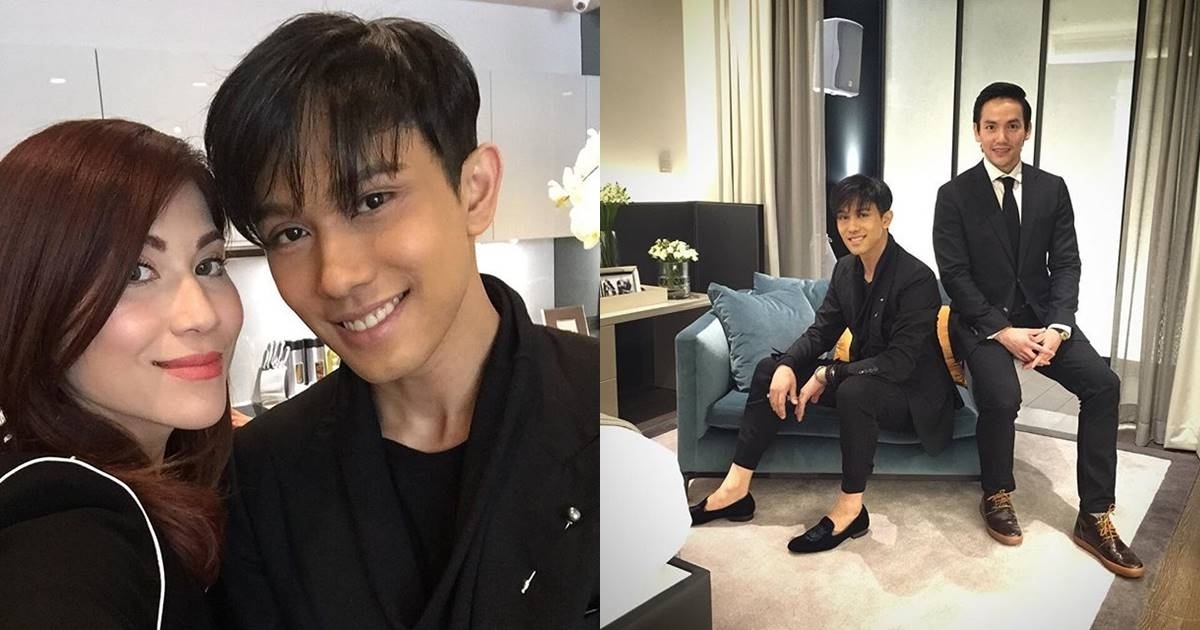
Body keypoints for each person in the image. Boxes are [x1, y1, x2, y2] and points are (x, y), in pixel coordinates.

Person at [203, 12, 599, 629]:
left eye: (372, 201)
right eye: (291, 232)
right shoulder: (260, 477)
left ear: (475, 191)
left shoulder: (599, 407)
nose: (336, 277)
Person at [0, 119, 244, 628]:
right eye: (136, 272)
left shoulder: (164, 480)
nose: (201, 315)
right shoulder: (67, 524)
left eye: (208, 265)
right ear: (37, 299)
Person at [932, 82, 1142, 578]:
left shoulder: (1052, 188)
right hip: (982, 321)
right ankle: (996, 491)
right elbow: (955, 276)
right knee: (1002, 396)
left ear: (1027, 130)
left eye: (1012, 126)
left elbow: (1066, 263)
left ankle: (1094, 516)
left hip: (1044, 316)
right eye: (990, 127)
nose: (1001, 137)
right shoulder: (954, 195)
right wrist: (1003, 332)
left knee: (1103, 385)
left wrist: (1058, 326)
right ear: (976, 132)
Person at [690, 175, 960, 554]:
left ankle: (851, 510)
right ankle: (735, 490)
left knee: (854, 390)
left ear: (886, 218)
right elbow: (821, 332)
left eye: (862, 215)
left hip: (912, 396)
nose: (851, 226)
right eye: (843, 217)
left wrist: (829, 373)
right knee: (770, 370)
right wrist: (788, 364)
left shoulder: (916, 279)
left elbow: (899, 363)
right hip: (865, 376)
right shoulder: (846, 270)